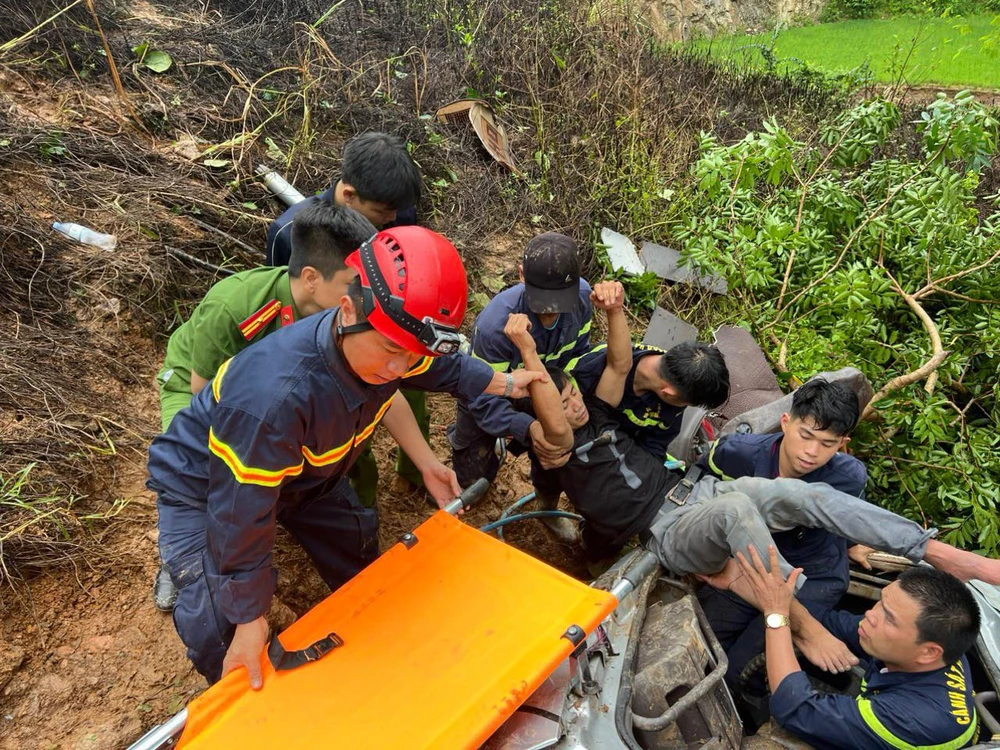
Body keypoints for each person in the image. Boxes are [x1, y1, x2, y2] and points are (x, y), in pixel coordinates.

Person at [147, 226, 544, 687]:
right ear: (349, 308)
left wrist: (503, 382)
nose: (399, 369)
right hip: (209, 485)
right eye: (392, 349)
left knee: (358, 546)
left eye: (411, 353)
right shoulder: (275, 397)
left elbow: (439, 365)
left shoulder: (390, 341)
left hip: (304, 475)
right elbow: (241, 509)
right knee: (220, 629)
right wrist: (249, 614)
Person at [503, 291, 1000, 604]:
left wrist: (615, 310)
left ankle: (939, 551)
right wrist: (528, 351)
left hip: (693, 492)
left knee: (806, 495)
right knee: (737, 508)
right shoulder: (561, 443)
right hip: (665, 527)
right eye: (561, 403)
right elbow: (548, 401)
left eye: (573, 395)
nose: (573, 406)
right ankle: (796, 610)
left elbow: (617, 362)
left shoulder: (604, 410)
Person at [264, 132, 426, 505]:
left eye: (394, 214)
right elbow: (288, 306)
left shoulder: (395, 209)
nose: (390, 221)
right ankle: (359, 501)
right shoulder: (292, 233)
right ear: (349, 194)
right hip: (336, 343)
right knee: (351, 427)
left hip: (392, 328)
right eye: (381, 214)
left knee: (412, 388)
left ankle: (415, 475)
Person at [696, 378, 873, 710]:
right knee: (702, 649)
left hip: (812, 576)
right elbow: (696, 482)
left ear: (843, 444)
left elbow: (849, 515)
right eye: (805, 435)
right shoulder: (737, 454)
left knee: (740, 670)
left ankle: (749, 719)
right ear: (786, 422)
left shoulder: (848, 477)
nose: (811, 452)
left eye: (827, 443)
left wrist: (851, 546)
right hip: (748, 566)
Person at [704, 545, 981, 750]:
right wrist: (741, 583)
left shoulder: (912, 719)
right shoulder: (932, 648)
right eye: (882, 602)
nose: (872, 615)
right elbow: (826, 620)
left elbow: (795, 708)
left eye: (889, 618)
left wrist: (776, 614)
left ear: (929, 652)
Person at [158, 198, 374, 432]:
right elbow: (202, 390)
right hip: (194, 388)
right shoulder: (237, 305)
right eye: (354, 284)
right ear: (311, 279)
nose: (364, 295)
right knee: (190, 460)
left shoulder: (342, 311)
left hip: (274, 391)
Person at [448, 231, 593, 500]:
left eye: (560, 302)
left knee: (556, 447)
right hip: (494, 391)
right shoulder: (495, 327)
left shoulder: (583, 299)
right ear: (521, 275)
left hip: (547, 392)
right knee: (473, 478)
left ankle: (546, 498)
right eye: (543, 303)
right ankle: (472, 449)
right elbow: (481, 395)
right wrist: (526, 427)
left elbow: (578, 358)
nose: (551, 312)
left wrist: (559, 410)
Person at [571, 340, 730, 463]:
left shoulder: (677, 379)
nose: (682, 408)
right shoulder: (588, 371)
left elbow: (655, 446)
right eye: (686, 404)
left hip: (614, 448)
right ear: (668, 393)